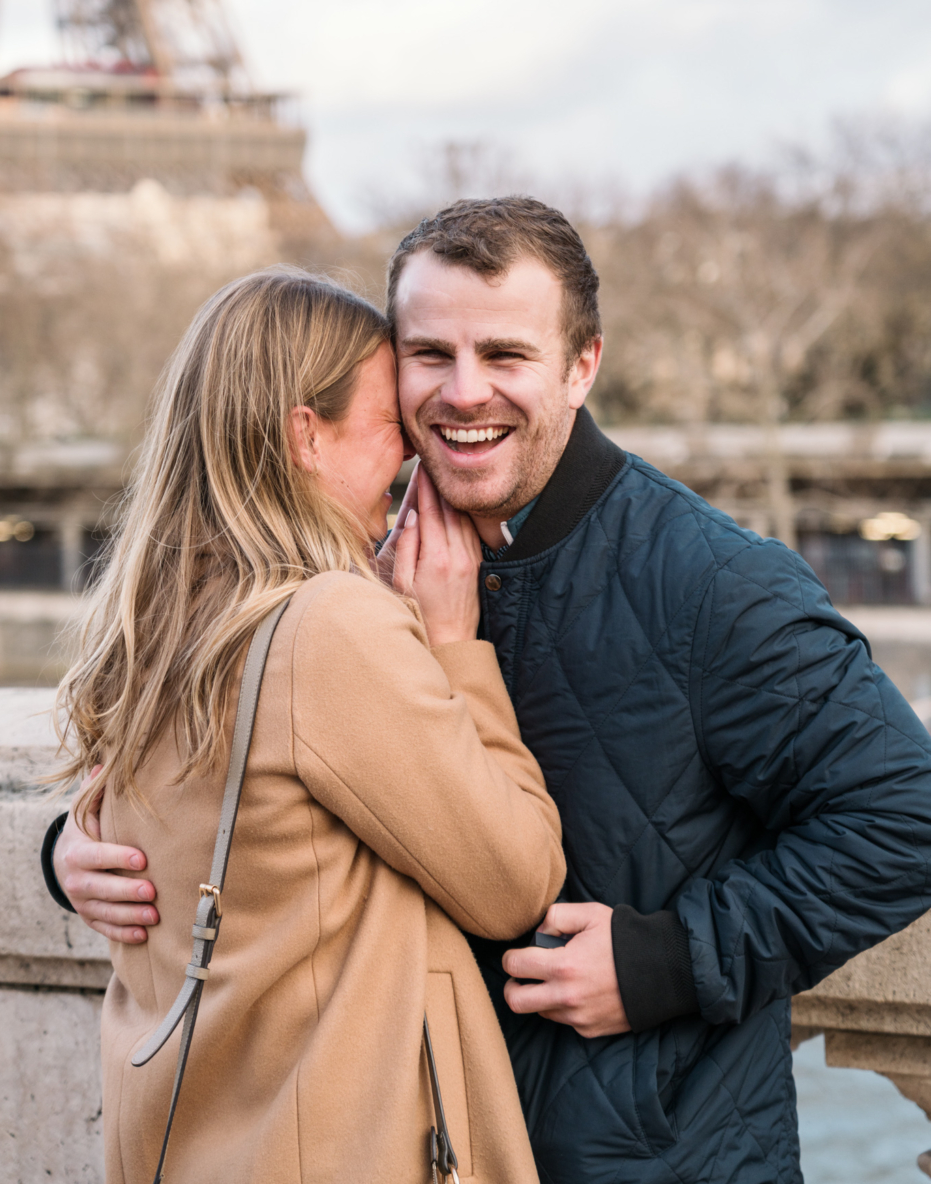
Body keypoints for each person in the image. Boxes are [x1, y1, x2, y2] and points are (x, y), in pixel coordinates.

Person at [50, 199, 931, 1184]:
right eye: (428, 355)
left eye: (505, 356)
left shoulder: (711, 583)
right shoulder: (338, 583)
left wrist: (668, 962)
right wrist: (79, 849)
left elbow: (906, 813)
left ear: (581, 365)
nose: (463, 393)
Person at [47, 267, 565, 1184]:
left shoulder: (156, 625)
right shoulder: (328, 625)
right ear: (305, 435)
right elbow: (514, 880)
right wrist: (453, 645)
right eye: (388, 431)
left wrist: (57, 851)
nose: (411, 467)